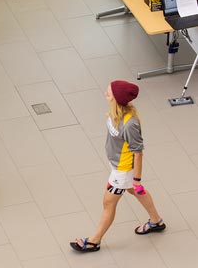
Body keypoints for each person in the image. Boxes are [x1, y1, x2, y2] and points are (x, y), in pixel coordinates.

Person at [71, 80, 166, 253]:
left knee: (108, 203)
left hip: (122, 171)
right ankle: (156, 221)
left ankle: (94, 241)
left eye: (108, 93)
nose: (105, 94)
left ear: (117, 99)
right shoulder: (114, 113)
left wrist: (136, 179)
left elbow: (138, 153)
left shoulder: (130, 124)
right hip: (118, 166)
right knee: (133, 190)